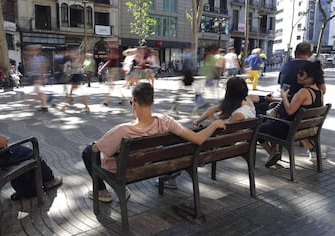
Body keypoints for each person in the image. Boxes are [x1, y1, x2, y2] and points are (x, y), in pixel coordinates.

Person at [81, 82, 226, 203]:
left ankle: (102, 192)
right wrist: (213, 125)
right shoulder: (165, 121)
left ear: (134, 103)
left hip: (122, 172)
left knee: (87, 151)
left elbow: (95, 150)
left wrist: (98, 145)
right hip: (149, 167)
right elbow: (198, 139)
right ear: (153, 102)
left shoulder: (121, 131)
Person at [259, 61, 324, 167]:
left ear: (310, 76)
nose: (298, 76)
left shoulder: (303, 92)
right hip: (306, 129)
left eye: (301, 74)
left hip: (290, 130)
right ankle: (274, 151)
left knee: (258, 128)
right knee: (271, 122)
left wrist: (283, 95)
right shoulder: (319, 92)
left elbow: (290, 110)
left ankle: (272, 152)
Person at [193, 77, 258, 126]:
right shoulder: (249, 100)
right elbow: (213, 109)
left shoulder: (238, 114)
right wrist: (196, 122)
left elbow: (221, 129)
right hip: (242, 137)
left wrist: (212, 119)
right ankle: (196, 122)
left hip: (231, 141)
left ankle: (196, 122)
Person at [24, 44, 49, 112]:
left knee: (38, 91)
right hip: (33, 76)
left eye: (32, 50)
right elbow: (29, 68)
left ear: (37, 51)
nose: (30, 52)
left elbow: (43, 68)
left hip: (38, 76)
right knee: (38, 92)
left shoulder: (41, 58)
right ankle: (44, 106)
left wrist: (42, 77)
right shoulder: (31, 58)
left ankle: (44, 105)